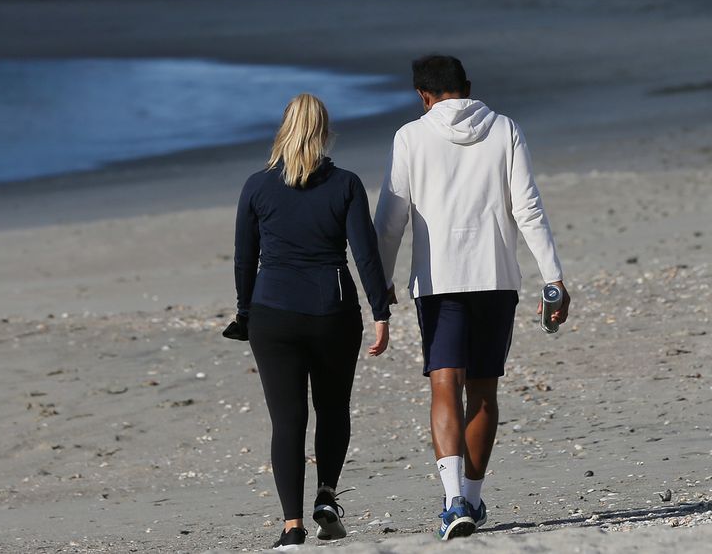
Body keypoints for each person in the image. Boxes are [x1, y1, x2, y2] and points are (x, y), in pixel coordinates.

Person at [375, 55, 568, 540]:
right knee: (483, 390)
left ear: (422, 95)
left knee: (446, 385)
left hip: (440, 281)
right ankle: (474, 501)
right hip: (497, 276)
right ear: (467, 87)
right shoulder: (504, 128)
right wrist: (554, 276)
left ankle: (453, 499)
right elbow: (528, 207)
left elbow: (391, 217)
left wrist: (379, 281)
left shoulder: (410, 137)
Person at [225, 93, 393, 550]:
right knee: (333, 408)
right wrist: (381, 310)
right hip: (332, 313)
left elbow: (246, 259)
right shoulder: (345, 184)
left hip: (272, 313)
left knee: (287, 422)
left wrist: (245, 312)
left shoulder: (257, 187)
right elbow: (365, 254)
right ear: (324, 131)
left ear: (283, 128)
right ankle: (326, 495)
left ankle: (291, 526)